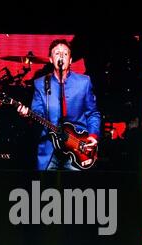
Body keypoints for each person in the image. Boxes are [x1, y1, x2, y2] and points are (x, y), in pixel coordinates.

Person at [18, 39, 101, 170]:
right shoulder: (40, 83)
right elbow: (37, 113)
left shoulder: (84, 82)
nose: (61, 56)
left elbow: (93, 113)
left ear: (71, 60)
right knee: (47, 189)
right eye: (57, 53)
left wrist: (93, 135)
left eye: (65, 54)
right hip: (50, 149)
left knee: (76, 190)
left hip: (79, 147)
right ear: (51, 59)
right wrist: (27, 114)